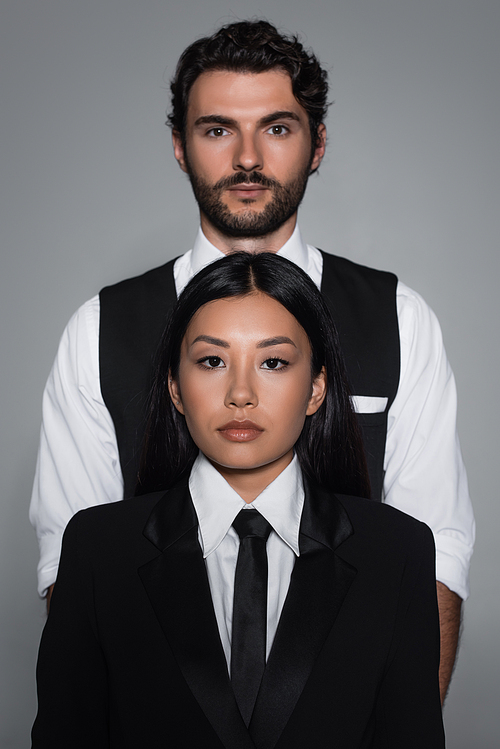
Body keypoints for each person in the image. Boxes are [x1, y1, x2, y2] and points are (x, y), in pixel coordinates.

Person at [29, 19, 474, 702]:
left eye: (276, 127)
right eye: (216, 130)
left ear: (317, 143)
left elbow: (434, 563)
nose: (246, 158)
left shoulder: (399, 318)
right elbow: (77, 573)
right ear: (180, 146)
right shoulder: (100, 329)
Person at [32, 252, 445, 748]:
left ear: (316, 388)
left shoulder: (398, 552)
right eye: (212, 361)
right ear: (175, 388)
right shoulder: (98, 550)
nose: (241, 393)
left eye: (273, 362)